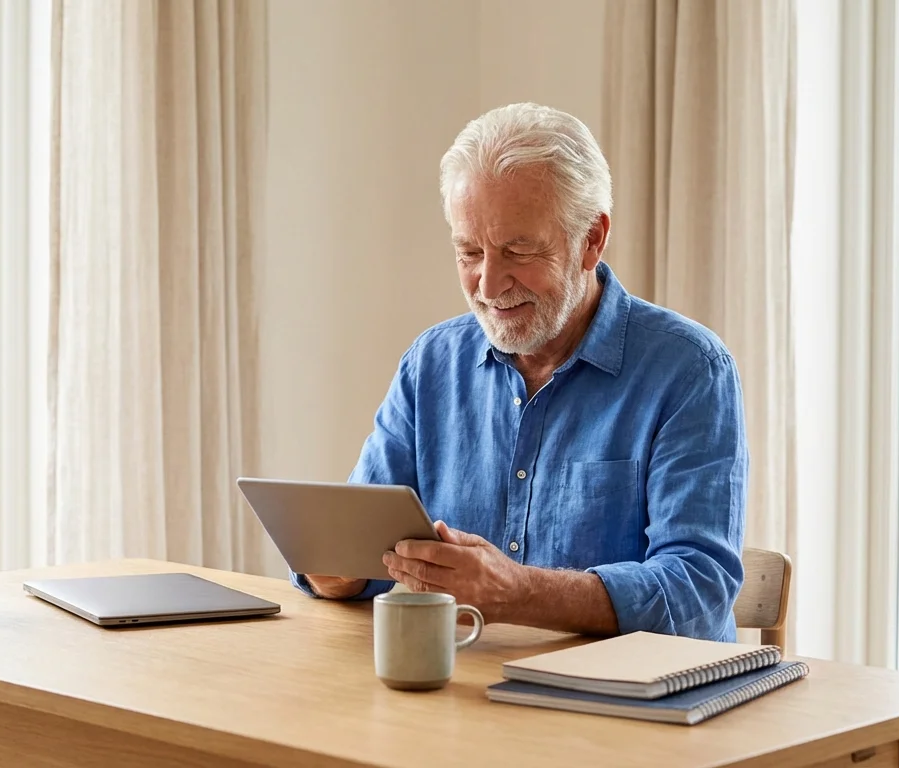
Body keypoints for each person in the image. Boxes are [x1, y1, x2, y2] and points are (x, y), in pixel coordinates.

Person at [291, 103, 747, 641]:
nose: (487, 286)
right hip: (468, 691)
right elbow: (363, 547)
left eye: (518, 250)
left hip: (637, 707)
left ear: (591, 240)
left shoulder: (690, 369)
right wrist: (337, 575)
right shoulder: (432, 364)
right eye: (469, 252)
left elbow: (698, 585)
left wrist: (518, 592)